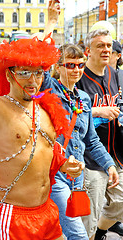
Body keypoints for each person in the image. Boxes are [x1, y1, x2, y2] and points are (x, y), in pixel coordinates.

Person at [0, 36, 86, 240]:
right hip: (12, 217)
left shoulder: (46, 110)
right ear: (9, 75)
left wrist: (65, 164)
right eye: (25, 73)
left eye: (38, 73)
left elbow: (46, 150)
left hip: (48, 212)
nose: (33, 81)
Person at [40, 43, 119, 240]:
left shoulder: (83, 99)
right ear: (57, 67)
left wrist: (109, 164)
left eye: (80, 65)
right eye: (70, 65)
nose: (76, 70)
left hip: (76, 177)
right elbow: (40, 61)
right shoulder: (50, 90)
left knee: (62, 230)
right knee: (78, 234)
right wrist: (50, 23)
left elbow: (91, 139)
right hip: (54, 173)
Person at [76, 29, 123, 240]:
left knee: (121, 202)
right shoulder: (79, 76)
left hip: (117, 154)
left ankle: (101, 232)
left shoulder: (115, 75)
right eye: (100, 46)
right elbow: (67, 110)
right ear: (88, 51)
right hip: (90, 158)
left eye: (108, 46)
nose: (106, 50)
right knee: (88, 217)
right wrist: (96, 111)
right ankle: (92, 233)